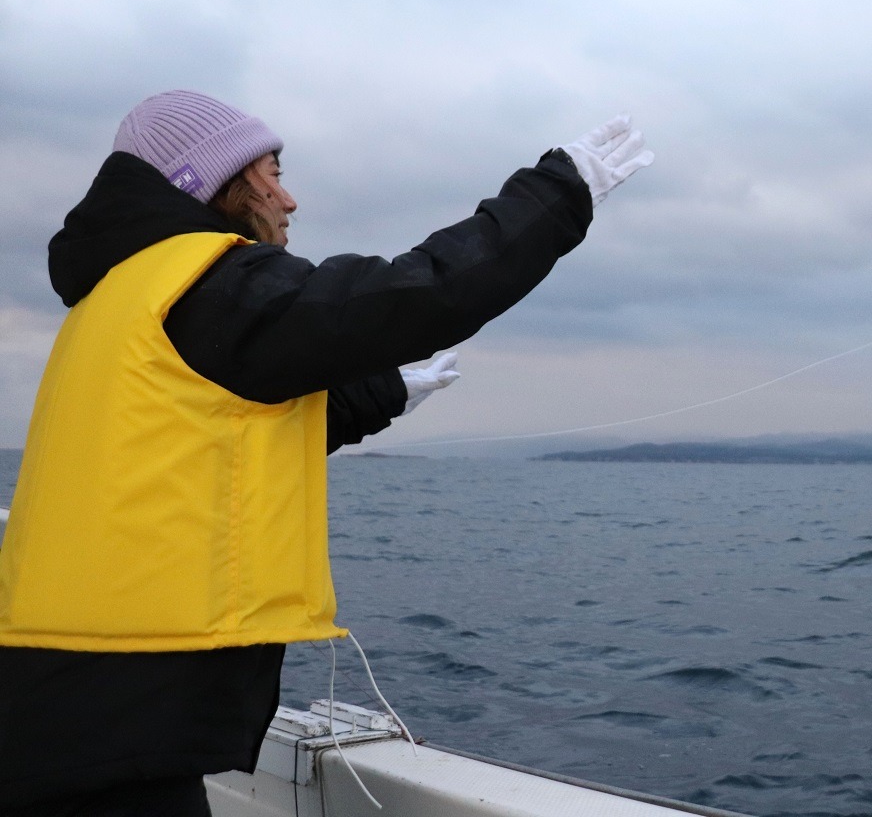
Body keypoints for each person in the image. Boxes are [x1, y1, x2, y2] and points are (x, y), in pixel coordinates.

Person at [0, 90, 652, 814]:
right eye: (271, 175)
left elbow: (217, 431)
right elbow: (412, 293)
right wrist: (557, 196)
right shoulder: (206, 280)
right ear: (212, 184)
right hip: (122, 704)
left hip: (71, 694)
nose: (289, 199)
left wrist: (384, 392)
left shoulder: (122, 296)